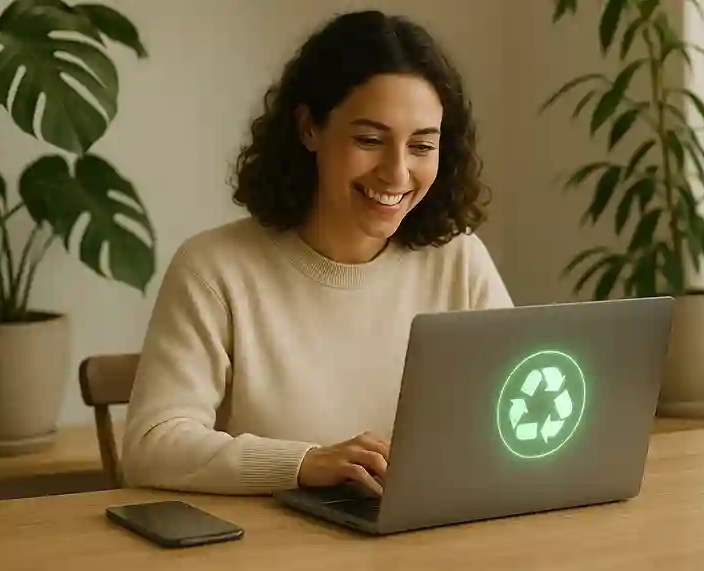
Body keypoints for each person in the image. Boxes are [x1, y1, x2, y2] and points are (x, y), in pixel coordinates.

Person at [120, 9, 512, 497]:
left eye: (421, 146)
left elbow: (509, 420)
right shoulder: (214, 270)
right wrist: (304, 463)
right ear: (309, 128)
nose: (397, 172)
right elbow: (152, 446)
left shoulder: (460, 261)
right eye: (370, 140)